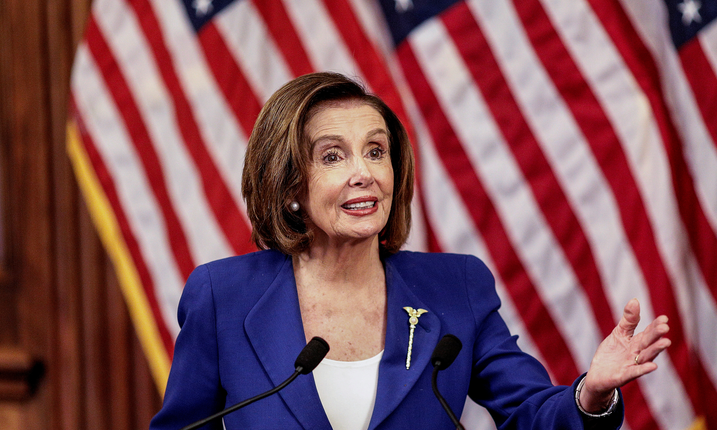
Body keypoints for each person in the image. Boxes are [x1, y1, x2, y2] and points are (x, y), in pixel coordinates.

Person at [150, 72, 671, 430]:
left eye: (376, 151)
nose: (365, 172)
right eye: (333, 156)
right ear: (289, 186)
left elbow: (529, 412)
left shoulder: (455, 288)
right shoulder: (224, 296)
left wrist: (591, 394)